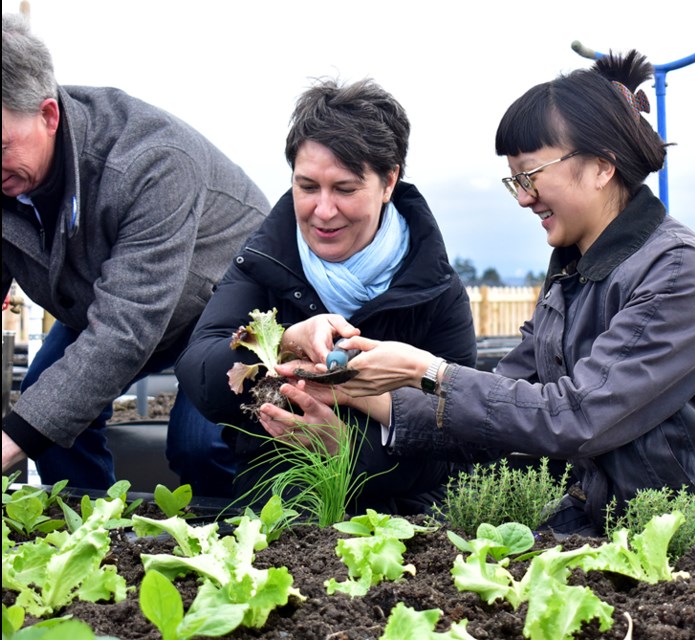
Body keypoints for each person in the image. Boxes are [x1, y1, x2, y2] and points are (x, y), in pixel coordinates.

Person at [263, 50, 695, 543]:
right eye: (513, 180)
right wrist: (356, 399)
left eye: (532, 175)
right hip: (626, 527)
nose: (523, 197)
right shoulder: (572, 273)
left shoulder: (675, 271)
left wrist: (427, 370)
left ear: (601, 164)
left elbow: (577, 417)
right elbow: (502, 401)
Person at [175, 77, 477, 513]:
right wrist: (285, 339)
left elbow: (458, 442)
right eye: (308, 186)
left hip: (401, 519)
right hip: (279, 500)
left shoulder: (435, 290)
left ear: (389, 181)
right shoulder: (265, 263)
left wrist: (348, 450)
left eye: (346, 188)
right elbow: (199, 374)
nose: (323, 211)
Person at [1, 13, 270, 496]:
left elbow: (125, 329)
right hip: (108, 300)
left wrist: (9, 441)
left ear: (48, 115)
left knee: (200, 444)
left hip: (225, 308)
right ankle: (86, 541)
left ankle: (240, 554)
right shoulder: (13, 172)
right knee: (51, 413)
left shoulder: (151, 161)